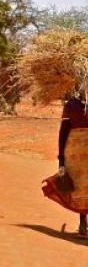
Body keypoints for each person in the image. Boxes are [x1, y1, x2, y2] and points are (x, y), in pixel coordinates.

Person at [44, 94, 88, 237]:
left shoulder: (72, 105)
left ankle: (83, 224)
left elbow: (63, 132)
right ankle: (83, 224)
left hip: (74, 152)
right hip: (77, 153)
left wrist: (61, 159)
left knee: (80, 188)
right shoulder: (74, 105)